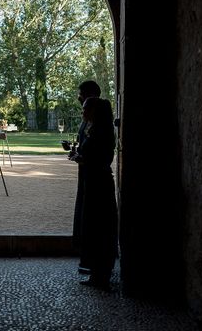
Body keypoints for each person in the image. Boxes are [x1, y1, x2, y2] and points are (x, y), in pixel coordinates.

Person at [70, 96, 118, 290]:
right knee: (99, 227)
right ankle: (100, 273)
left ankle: (101, 275)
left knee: (98, 227)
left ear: (94, 111)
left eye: (85, 109)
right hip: (99, 182)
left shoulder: (99, 132)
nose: (82, 112)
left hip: (98, 185)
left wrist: (79, 157)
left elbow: (97, 159)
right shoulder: (100, 130)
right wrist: (79, 156)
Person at [70, 80, 102, 275]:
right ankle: (87, 258)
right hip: (86, 173)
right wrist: (75, 150)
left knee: (91, 215)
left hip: (93, 174)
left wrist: (81, 155)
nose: (79, 98)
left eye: (81, 94)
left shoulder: (96, 117)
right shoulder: (89, 116)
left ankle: (94, 262)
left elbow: (98, 151)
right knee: (85, 212)